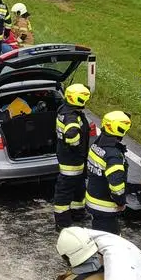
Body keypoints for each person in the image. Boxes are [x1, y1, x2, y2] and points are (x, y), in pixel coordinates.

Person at [85, 111, 131, 235]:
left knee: (99, 237)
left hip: (93, 199)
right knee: (110, 240)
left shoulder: (97, 144)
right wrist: (121, 202)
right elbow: (117, 187)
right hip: (105, 206)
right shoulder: (114, 156)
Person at [53, 84, 92, 230]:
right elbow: (71, 135)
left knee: (78, 187)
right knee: (65, 190)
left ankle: (77, 212)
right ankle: (62, 222)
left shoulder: (65, 109)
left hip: (73, 159)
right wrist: (76, 146)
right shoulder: (71, 116)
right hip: (71, 161)